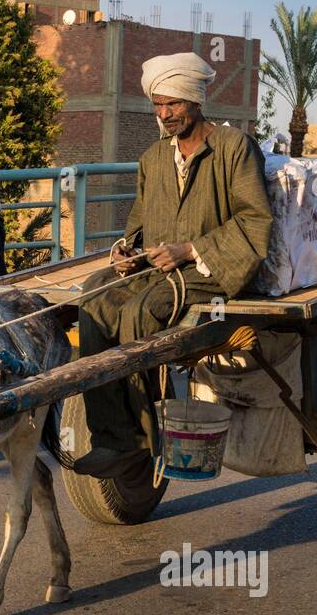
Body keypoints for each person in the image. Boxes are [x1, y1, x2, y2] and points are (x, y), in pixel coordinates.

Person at [72, 52, 272, 477]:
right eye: (159, 105)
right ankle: (111, 436)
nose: (165, 114)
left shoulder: (235, 148)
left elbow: (256, 224)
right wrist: (126, 253)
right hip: (160, 270)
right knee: (93, 298)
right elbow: (138, 229)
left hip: (212, 272)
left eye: (174, 105)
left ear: (196, 102)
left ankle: (139, 443)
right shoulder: (152, 160)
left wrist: (190, 250)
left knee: (139, 313)